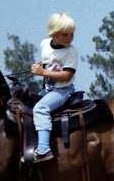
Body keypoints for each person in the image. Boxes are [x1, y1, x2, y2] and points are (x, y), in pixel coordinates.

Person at [29, 12, 78, 162]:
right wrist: (39, 67)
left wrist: (43, 72)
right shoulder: (44, 44)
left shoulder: (71, 52)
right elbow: (46, 61)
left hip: (63, 91)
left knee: (40, 109)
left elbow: (66, 76)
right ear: (54, 35)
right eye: (65, 35)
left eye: (72, 34)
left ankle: (44, 149)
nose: (70, 38)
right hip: (48, 89)